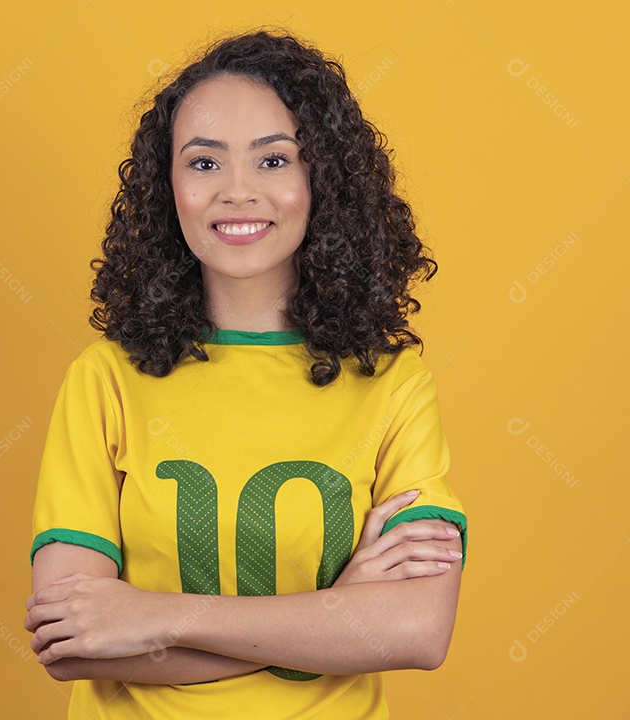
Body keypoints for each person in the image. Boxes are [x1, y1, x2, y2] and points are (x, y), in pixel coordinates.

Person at [24, 27, 468, 720]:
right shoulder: (105, 378)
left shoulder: (393, 383)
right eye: (204, 163)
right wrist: (340, 614)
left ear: (321, 178)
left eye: (274, 160)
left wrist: (153, 617)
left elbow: (417, 630)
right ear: (165, 185)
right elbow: (72, 644)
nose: (236, 192)